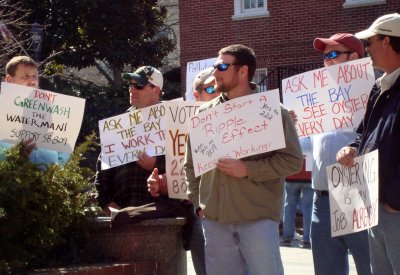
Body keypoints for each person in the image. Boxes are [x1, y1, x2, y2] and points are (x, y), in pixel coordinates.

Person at [184, 44, 303, 275]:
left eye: (222, 66)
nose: (215, 72)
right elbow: (191, 164)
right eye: (215, 66)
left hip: (257, 220)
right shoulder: (203, 114)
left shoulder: (274, 112)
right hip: (215, 222)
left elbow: (292, 161)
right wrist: (198, 203)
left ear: (243, 71)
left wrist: (247, 169)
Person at [336, 13, 400, 275]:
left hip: (393, 207)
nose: (367, 49)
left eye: (371, 42)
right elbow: (365, 133)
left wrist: (394, 199)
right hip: (376, 204)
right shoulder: (380, 86)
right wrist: (353, 147)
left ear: (387, 41)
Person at [306, 33, 371, 275]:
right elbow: (307, 145)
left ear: (354, 57)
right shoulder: (317, 98)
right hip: (321, 200)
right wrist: (287, 128)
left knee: (371, 266)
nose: (327, 61)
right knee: (326, 270)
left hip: (358, 194)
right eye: (324, 57)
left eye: (333, 54)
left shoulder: (374, 92)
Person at [147, 67, 219, 275]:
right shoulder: (181, 126)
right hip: (202, 213)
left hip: (237, 213)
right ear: (196, 96)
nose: (217, 92)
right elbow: (183, 168)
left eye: (219, 86)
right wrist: (161, 181)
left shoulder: (239, 119)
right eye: (210, 88)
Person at [94, 65, 167, 216]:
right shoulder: (119, 125)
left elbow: (186, 163)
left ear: (156, 91)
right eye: (130, 85)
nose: (132, 89)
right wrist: (107, 204)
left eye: (138, 85)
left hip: (163, 212)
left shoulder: (174, 119)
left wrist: (156, 164)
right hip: (123, 214)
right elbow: (103, 170)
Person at [0, 56, 69, 165]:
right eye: (25, 76)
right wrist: (12, 154)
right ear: (9, 80)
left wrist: (58, 171)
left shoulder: (51, 107)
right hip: (10, 179)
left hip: (49, 179)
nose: (32, 81)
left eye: (34, 77)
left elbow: (64, 149)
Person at [281, 152, 313, 249]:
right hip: (309, 175)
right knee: (309, 208)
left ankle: (287, 237)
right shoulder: (313, 137)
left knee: (289, 207)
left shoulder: (292, 138)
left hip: (292, 174)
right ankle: (307, 239)